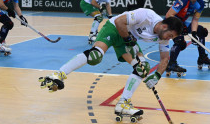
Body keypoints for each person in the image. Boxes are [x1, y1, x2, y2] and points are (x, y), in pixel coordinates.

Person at [38, 8, 183, 117]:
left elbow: (165, 58)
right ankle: (58, 74)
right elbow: (120, 21)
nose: (168, 39)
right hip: (115, 28)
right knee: (95, 56)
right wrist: (128, 41)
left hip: (128, 38)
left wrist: (157, 75)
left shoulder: (163, 37)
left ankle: (123, 104)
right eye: (170, 36)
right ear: (164, 26)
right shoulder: (147, 15)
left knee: (142, 68)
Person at [165, 0, 210, 75]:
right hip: (171, 23)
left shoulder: (200, 4)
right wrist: (180, 26)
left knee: (201, 31)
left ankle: (202, 58)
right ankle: (171, 64)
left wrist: (194, 33)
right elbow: (169, 15)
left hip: (182, 23)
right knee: (180, 42)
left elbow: (195, 19)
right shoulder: (183, 0)